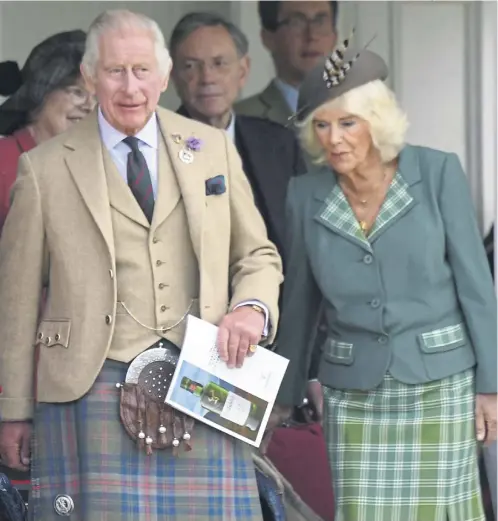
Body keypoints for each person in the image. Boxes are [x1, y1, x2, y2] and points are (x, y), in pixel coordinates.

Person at [0, 9, 283, 521]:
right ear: (89, 77)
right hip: (89, 383)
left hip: (208, 372)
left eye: (142, 70)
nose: (130, 87)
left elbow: (258, 255)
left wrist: (250, 309)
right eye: (114, 72)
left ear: (165, 74)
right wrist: (13, 411)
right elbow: (16, 303)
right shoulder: (43, 168)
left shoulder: (212, 148)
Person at [272, 42, 498, 520]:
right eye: (321, 125)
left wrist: (491, 385)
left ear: (378, 120)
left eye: (347, 122)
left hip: (440, 386)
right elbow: (299, 304)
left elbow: (478, 288)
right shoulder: (304, 194)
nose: (333, 139)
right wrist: (282, 397)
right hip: (354, 397)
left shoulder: (436, 173)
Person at [170, 11, 305, 265]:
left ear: (243, 71)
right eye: (191, 66)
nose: (207, 78)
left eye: (219, 63)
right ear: (172, 75)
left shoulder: (281, 145)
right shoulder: (155, 147)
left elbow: (302, 244)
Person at [0, 30, 94, 231]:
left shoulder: (95, 163)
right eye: (77, 92)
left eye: (97, 97)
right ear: (39, 94)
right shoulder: (3, 160)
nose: (90, 106)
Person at [235, 1, 338, 126]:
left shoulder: (361, 112)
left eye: (320, 21)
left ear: (334, 37)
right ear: (268, 38)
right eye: (297, 22)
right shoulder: (238, 119)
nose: (312, 35)